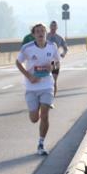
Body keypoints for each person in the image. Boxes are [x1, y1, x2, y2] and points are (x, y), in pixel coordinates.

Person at [16, 22, 62, 156]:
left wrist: (51, 66)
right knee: (34, 118)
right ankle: (37, 110)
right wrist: (29, 75)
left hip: (47, 85)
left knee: (45, 115)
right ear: (33, 35)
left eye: (43, 31)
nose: (41, 33)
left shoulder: (52, 46)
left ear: (46, 33)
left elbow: (57, 61)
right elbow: (18, 63)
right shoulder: (27, 48)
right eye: (38, 31)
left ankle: (41, 143)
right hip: (31, 87)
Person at [46, 20, 69, 102]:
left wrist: (63, 54)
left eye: (54, 26)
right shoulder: (45, 36)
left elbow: (66, 48)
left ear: (57, 27)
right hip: (46, 61)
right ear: (49, 27)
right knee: (45, 81)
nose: (53, 27)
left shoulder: (59, 38)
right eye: (52, 26)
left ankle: (52, 100)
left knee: (54, 81)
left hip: (55, 61)